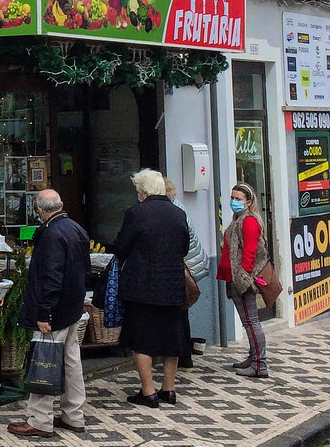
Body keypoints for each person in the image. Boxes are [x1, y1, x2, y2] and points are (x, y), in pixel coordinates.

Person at [7, 189, 92, 438]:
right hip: (72, 307)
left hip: (55, 310)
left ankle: (40, 420)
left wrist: (44, 313)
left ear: (40, 211)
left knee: (44, 361)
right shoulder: (76, 229)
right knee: (71, 361)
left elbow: (51, 279)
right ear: (61, 204)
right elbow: (85, 271)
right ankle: (74, 415)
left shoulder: (51, 234)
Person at [113, 168, 190, 407]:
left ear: (144, 191)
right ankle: (169, 389)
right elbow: (185, 248)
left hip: (142, 287)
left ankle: (148, 392)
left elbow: (121, 247)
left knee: (142, 339)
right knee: (171, 340)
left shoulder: (136, 213)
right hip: (173, 286)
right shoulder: (178, 213)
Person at [216, 182, 269, 379]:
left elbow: (250, 252)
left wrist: (243, 279)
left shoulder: (249, 222)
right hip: (235, 277)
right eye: (232, 198)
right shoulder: (239, 220)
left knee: (251, 322)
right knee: (248, 321)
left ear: (248, 202)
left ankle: (259, 364)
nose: (234, 202)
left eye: (238, 199)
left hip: (242, 279)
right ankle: (253, 357)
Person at [164, 177, 210, 368]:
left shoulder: (173, 212)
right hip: (192, 264)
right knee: (181, 313)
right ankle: (184, 355)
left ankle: (183, 356)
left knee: (179, 313)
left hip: (186, 267)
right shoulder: (177, 206)